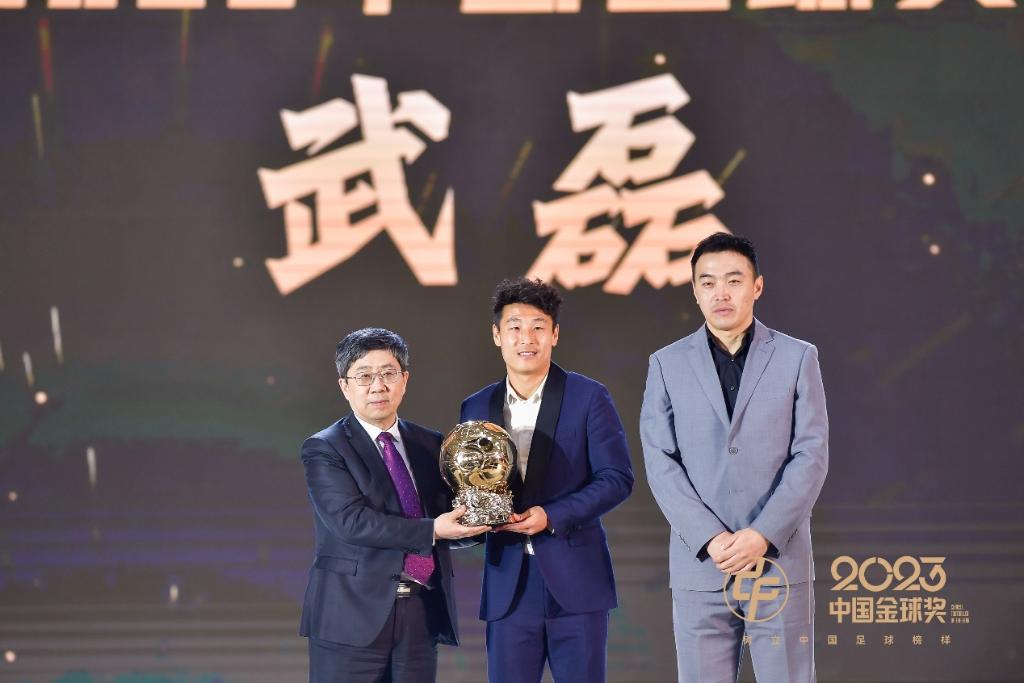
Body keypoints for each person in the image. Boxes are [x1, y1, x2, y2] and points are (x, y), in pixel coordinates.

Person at [640, 233, 829, 682]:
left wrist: (763, 534)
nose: (720, 293)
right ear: (694, 290)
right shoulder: (666, 363)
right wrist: (710, 538)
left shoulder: (797, 357)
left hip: (778, 562)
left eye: (733, 280)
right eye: (707, 282)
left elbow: (811, 454)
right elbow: (660, 459)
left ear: (757, 286)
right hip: (702, 565)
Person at [460, 277, 634, 683]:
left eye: (538, 326)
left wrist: (551, 515)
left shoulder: (588, 396)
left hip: (576, 581)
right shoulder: (476, 406)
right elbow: (470, 483)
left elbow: (616, 478)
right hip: (508, 586)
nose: (527, 338)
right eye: (515, 326)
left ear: (554, 334)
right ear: (497, 335)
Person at [300, 327, 488, 683]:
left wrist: (483, 521)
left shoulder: (431, 443)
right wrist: (434, 530)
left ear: (404, 379)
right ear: (345, 386)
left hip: (420, 612)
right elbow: (352, 522)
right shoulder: (325, 447)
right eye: (364, 376)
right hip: (350, 618)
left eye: (388, 373)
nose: (378, 386)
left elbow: (444, 518)